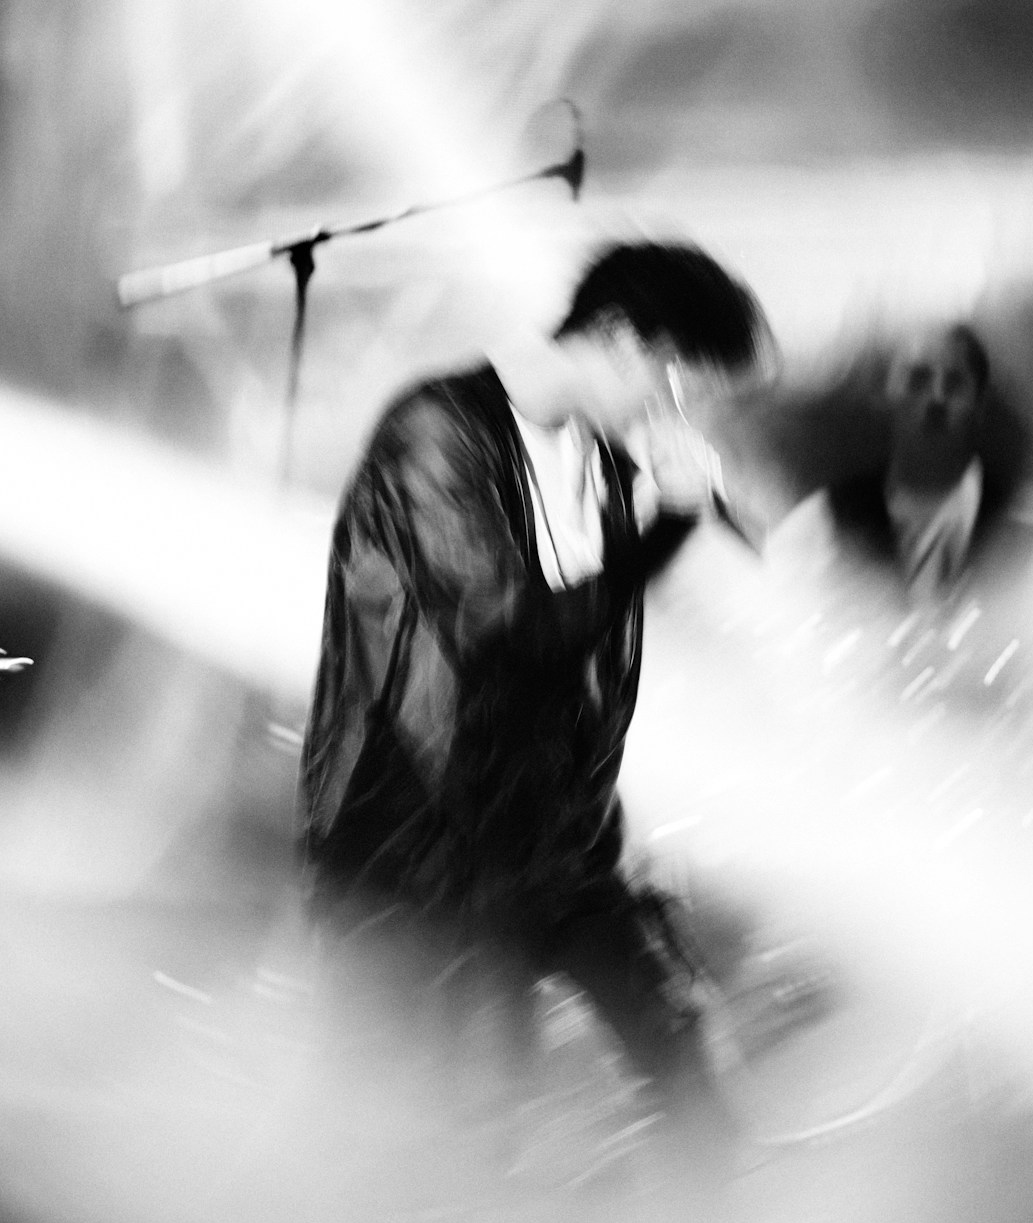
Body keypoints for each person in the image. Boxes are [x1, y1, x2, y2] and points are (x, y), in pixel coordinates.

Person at [298, 241, 770, 1165]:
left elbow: (590, 650)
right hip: (431, 853)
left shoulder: (598, 457)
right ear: (628, 343)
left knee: (689, 1063)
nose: (681, 409)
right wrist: (663, 531)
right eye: (682, 381)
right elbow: (511, 637)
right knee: (463, 1138)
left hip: (560, 840)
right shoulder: (433, 433)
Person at [825, 322, 996, 598]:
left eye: (954, 383)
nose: (937, 398)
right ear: (883, 394)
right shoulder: (830, 519)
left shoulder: (1017, 523)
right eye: (918, 379)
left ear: (979, 403)